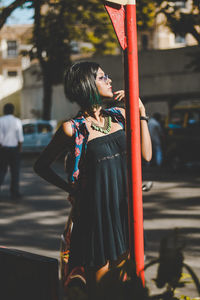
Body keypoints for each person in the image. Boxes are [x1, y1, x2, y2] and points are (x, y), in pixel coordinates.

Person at [34, 61, 152, 295]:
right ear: (87, 85)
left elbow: (145, 156)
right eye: (101, 77)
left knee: (125, 289)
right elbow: (41, 166)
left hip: (123, 213)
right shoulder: (73, 128)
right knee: (101, 293)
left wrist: (141, 113)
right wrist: (71, 189)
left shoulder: (120, 116)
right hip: (94, 219)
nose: (109, 80)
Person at [0, 103, 24, 199]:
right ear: (13, 111)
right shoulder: (17, 121)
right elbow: (20, 138)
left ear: (4, 110)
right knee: (15, 172)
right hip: (14, 150)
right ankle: (15, 192)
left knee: (1, 171)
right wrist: (20, 150)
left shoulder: (0, 121)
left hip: (3, 149)